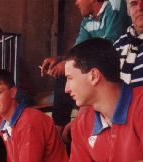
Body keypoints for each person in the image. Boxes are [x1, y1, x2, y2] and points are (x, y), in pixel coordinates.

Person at [41, 0, 130, 134]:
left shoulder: (115, 5)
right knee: (65, 74)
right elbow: (78, 51)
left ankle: (72, 126)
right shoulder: (87, 21)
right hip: (95, 64)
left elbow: (109, 46)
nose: (76, 3)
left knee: (70, 70)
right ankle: (59, 129)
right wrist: (60, 60)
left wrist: (65, 64)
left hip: (113, 65)